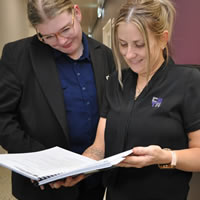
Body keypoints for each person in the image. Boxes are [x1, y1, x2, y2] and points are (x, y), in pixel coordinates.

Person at [53, 0, 200, 199]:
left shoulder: (188, 81)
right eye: (123, 44)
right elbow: (99, 147)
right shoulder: (116, 82)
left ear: (163, 39)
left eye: (139, 45)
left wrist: (166, 157)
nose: (129, 54)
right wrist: (79, 169)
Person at [0, 0, 115, 200]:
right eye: (49, 36)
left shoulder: (104, 54)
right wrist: (42, 162)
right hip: (41, 187)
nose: (61, 41)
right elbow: (2, 119)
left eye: (65, 29)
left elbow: (111, 110)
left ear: (76, 13)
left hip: (93, 180)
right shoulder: (18, 55)